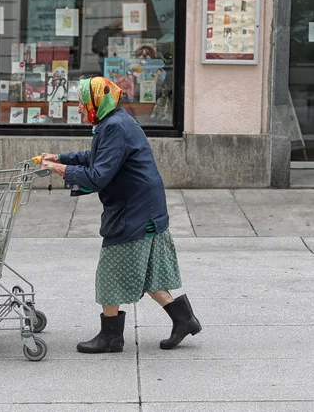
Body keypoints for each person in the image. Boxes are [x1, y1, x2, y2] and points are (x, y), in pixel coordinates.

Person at [37, 76, 201, 354]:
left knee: (110, 272)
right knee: (148, 275)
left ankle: (111, 337)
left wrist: (58, 169)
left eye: (82, 102)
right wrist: (61, 157)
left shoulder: (115, 126)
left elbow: (99, 175)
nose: (79, 108)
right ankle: (184, 320)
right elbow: (96, 157)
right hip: (144, 208)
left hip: (135, 211)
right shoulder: (113, 121)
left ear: (97, 100)